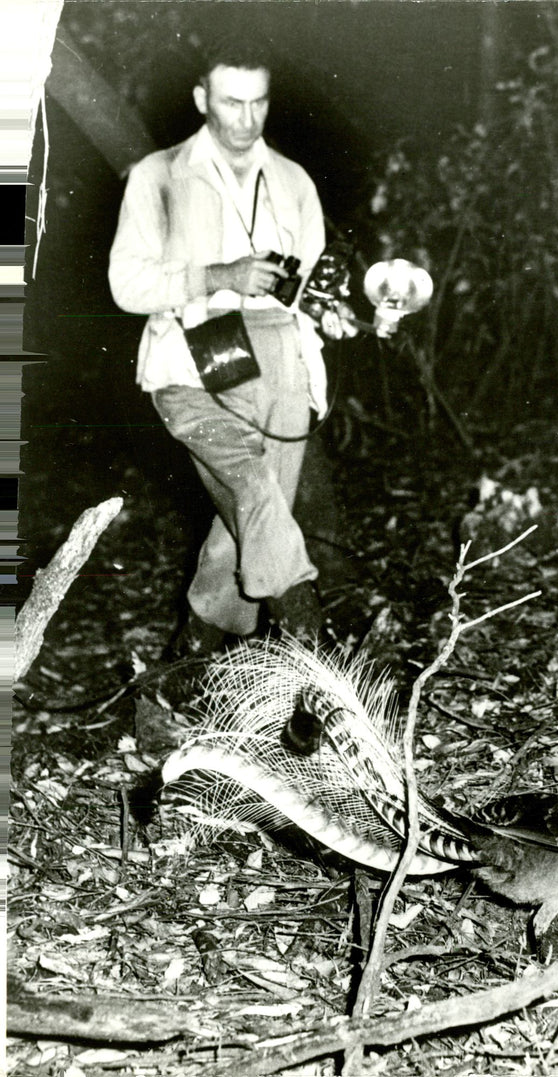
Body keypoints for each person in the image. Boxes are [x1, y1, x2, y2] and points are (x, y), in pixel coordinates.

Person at [109, 39, 351, 655]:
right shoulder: (158, 175)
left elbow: (314, 286)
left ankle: (189, 662)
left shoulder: (293, 181)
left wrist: (336, 313)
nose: (245, 120)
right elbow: (127, 284)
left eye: (258, 103)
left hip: (281, 360)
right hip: (189, 358)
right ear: (202, 99)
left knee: (252, 511)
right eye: (231, 103)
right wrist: (220, 276)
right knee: (250, 487)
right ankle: (308, 631)